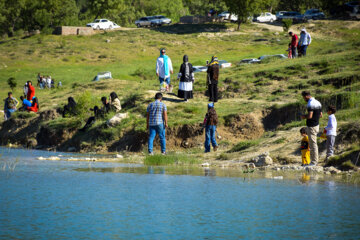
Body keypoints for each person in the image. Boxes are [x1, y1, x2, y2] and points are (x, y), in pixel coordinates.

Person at [301, 91, 322, 166]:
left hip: (311, 126)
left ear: (306, 96)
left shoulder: (310, 103)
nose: (304, 99)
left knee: (313, 144)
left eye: (303, 97)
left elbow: (309, 116)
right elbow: (321, 115)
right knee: (313, 143)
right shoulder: (318, 102)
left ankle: (314, 162)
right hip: (317, 125)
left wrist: (304, 116)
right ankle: (314, 161)